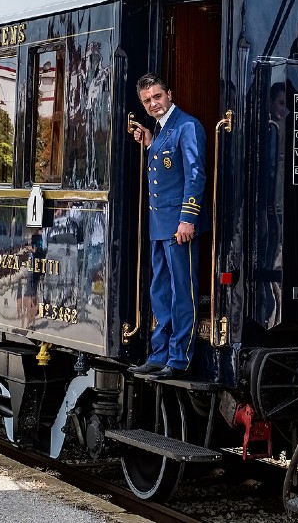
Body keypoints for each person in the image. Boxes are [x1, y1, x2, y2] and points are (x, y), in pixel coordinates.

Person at [128, 73, 207, 379]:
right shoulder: (161, 130)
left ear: (169, 94)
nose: (153, 104)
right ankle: (159, 353)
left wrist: (188, 218)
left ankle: (178, 358)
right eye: (147, 100)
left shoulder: (187, 125)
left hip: (178, 225)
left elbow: (195, 174)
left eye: (157, 97)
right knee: (160, 291)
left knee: (181, 293)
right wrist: (150, 143)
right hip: (160, 225)